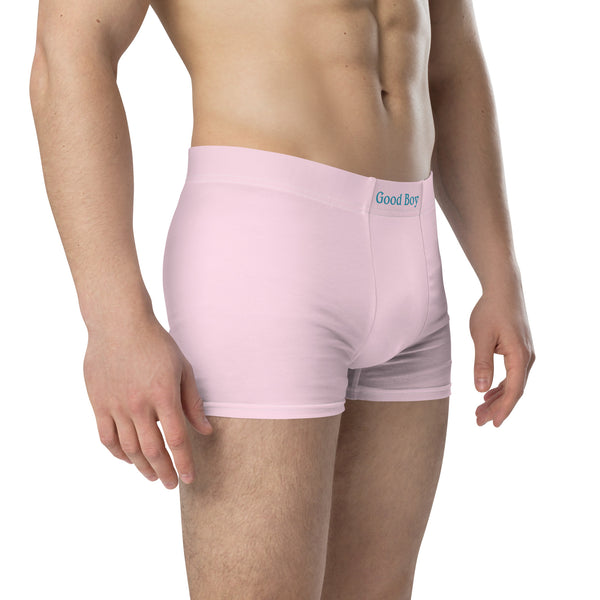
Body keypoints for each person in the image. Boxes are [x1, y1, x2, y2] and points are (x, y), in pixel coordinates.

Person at [29, 0, 535, 598]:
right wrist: (114, 321)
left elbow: (449, 60)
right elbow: (70, 50)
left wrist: (499, 271)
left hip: (412, 249)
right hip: (265, 248)